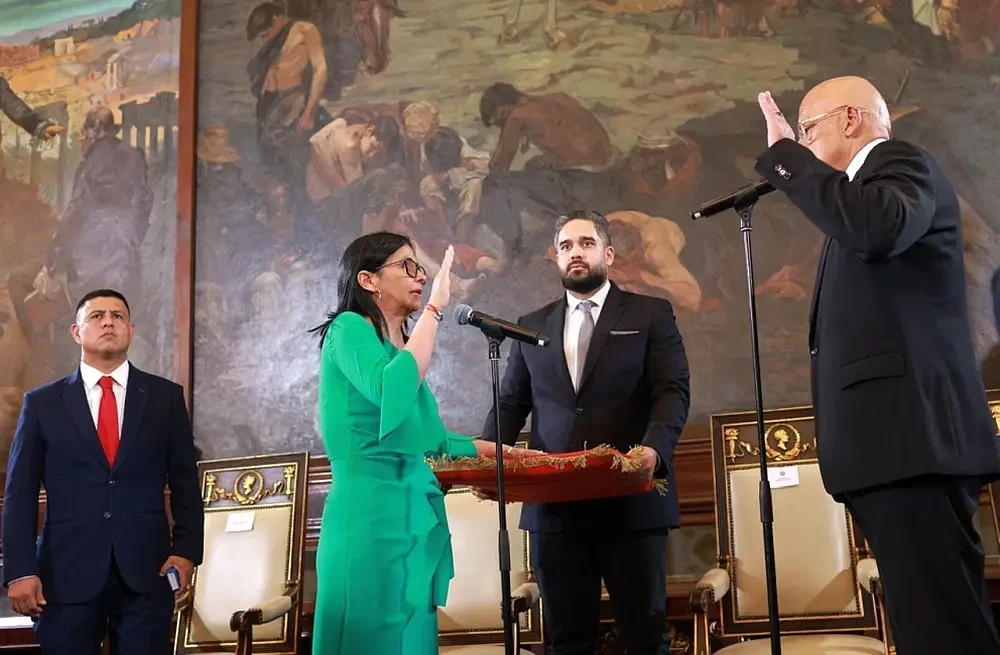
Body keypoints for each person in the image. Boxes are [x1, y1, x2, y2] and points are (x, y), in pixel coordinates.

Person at [754, 76, 1000, 653]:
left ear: (850, 119)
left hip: (911, 442)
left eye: (808, 129)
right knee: (929, 624)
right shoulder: (858, 195)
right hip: (890, 448)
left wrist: (786, 157)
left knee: (943, 628)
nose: (803, 142)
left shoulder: (900, 162)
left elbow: (875, 228)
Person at [308, 232, 537, 654]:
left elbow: (432, 441)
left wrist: (503, 452)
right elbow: (389, 390)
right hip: (367, 519)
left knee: (412, 639)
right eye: (407, 266)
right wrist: (435, 308)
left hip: (411, 516)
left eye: (420, 268)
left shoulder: (397, 349)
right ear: (368, 280)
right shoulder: (348, 328)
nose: (420, 276)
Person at [479, 210, 691, 655]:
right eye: (566, 246)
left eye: (586, 243)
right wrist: (488, 464)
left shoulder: (651, 313)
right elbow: (511, 403)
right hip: (555, 511)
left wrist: (653, 451)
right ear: (556, 258)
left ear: (608, 254)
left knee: (645, 640)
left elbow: (671, 391)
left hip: (631, 501)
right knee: (567, 642)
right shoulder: (531, 325)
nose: (575, 252)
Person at [1, 289, 204, 654]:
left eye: (118, 316)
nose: (108, 322)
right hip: (64, 576)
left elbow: (186, 482)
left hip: (148, 573)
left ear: (131, 330)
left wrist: (186, 551)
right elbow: (20, 493)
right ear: (76, 332)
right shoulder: (42, 403)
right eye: (97, 316)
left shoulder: (165, 398)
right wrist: (19, 570)